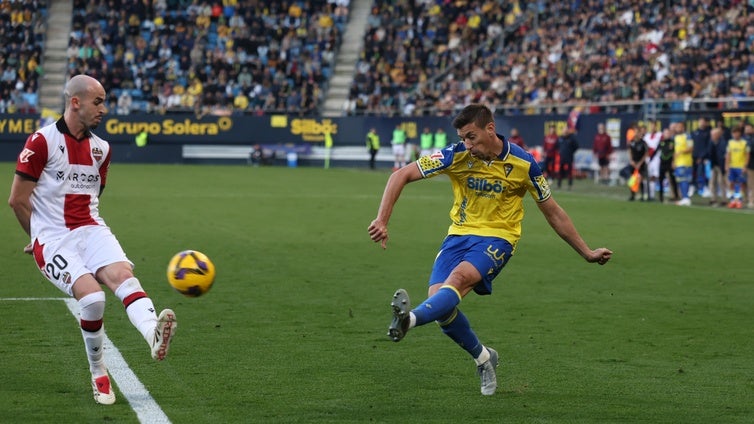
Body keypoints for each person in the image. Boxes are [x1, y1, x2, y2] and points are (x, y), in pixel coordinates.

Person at [367, 104, 612, 396]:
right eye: (463, 138)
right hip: (458, 237)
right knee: (441, 305)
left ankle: (409, 320)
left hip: (498, 239)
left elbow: (553, 212)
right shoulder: (455, 154)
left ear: (490, 129)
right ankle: (483, 357)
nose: (467, 145)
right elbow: (400, 175)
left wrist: (586, 251)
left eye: (471, 137)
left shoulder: (524, 164)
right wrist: (382, 219)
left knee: (457, 280)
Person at [7, 74, 177, 406]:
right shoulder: (41, 142)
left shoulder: (102, 149)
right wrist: (37, 235)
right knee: (93, 299)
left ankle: (152, 333)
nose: (104, 109)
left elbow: (92, 195)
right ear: (75, 102)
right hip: (54, 237)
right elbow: (17, 200)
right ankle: (98, 371)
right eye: (98, 101)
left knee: (124, 278)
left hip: (91, 227)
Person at [725, 126, 750, 209]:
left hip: (740, 166)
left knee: (740, 184)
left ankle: (739, 201)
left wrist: (745, 166)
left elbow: (747, 155)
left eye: (737, 132)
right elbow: (728, 155)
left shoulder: (744, 143)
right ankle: (733, 201)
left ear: (740, 133)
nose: (735, 134)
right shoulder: (730, 143)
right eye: (734, 133)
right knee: (731, 183)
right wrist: (727, 165)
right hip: (732, 166)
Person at [673, 121, 694, 206]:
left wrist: (681, 152)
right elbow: (675, 151)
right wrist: (674, 161)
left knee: (684, 179)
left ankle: (686, 198)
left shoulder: (687, 136)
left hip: (685, 162)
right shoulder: (676, 137)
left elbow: (691, 148)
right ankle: (684, 197)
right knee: (680, 180)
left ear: (683, 128)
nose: (678, 128)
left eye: (680, 127)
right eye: (677, 127)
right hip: (678, 162)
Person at [691, 117, 711, 197]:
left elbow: (707, 146)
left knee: (703, 173)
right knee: (693, 173)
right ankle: (693, 187)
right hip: (694, 156)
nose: (701, 123)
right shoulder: (694, 132)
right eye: (700, 121)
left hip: (703, 157)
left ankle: (705, 188)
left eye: (703, 122)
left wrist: (702, 156)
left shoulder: (708, 133)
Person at [627, 124, 649, 201]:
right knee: (632, 180)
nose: (636, 134)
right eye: (635, 132)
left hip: (641, 164)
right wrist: (631, 161)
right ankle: (632, 195)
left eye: (637, 132)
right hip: (634, 163)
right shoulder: (632, 142)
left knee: (641, 179)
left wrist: (640, 163)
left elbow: (646, 154)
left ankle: (643, 195)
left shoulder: (643, 143)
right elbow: (630, 151)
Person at [707, 127, 727, 206]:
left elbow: (723, 155)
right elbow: (709, 152)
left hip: (720, 165)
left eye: (714, 134)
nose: (712, 136)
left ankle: (724, 199)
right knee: (712, 182)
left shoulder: (723, 143)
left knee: (721, 182)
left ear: (718, 134)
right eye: (711, 134)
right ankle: (713, 198)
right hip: (713, 165)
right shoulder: (711, 142)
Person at [657, 128, 678, 203]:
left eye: (668, 133)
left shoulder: (672, 142)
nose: (667, 135)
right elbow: (657, 150)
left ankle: (676, 196)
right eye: (666, 133)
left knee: (673, 180)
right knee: (661, 180)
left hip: (669, 163)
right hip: (662, 163)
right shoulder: (661, 142)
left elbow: (675, 152)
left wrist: (674, 162)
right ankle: (661, 197)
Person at [643, 121, 663, 201]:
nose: (652, 127)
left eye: (654, 126)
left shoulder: (659, 135)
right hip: (648, 158)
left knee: (653, 177)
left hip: (656, 158)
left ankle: (651, 195)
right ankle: (645, 193)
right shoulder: (647, 136)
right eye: (651, 126)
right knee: (646, 176)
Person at [744, 123, 754, 208]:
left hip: (751, 164)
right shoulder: (743, 139)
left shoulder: (751, 140)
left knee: (751, 184)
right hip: (746, 164)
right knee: (747, 183)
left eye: (749, 128)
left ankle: (751, 200)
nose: (747, 130)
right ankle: (747, 199)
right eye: (746, 128)